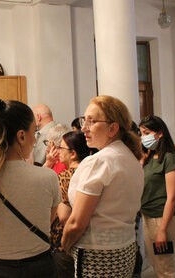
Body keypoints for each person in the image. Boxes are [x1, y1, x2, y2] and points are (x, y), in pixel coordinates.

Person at [0, 99, 60, 277]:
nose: (35, 138)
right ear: (21, 136)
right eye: (35, 132)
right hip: (39, 266)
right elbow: (47, 221)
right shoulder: (48, 178)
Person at [61, 95, 144, 277]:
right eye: (84, 120)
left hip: (97, 253)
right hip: (124, 248)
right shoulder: (129, 156)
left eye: (92, 121)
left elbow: (76, 223)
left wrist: (64, 246)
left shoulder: (100, 161)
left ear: (112, 128)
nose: (84, 128)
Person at [139, 115, 175, 278]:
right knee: (157, 263)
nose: (144, 137)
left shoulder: (169, 158)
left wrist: (162, 229)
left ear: (160, 134)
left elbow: (172, 197)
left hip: (162, 219)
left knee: (165, 268)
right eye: (142, 133)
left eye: (147, 132)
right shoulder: (149, 157)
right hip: (147, 216)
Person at [50, 131, 92, 278]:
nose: (58, 151)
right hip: (89, 239)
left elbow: (63, 216)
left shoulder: (64, 176)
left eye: (61, 148)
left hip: (66, 242)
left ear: (73, 153)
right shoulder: (91, 172)